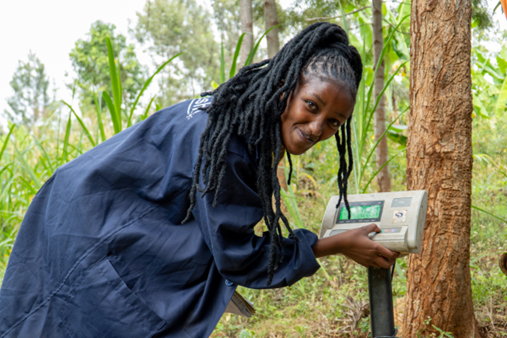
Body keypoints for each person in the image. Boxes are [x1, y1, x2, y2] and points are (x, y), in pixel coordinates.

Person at [0, 22, 398, 338]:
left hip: (73, 213)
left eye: (333, 123)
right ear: (285, 88)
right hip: (91, 233)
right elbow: (238, 255)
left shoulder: (231, 111)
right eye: (311, 106)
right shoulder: (232, 142)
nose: (315, 128)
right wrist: (332, 245)